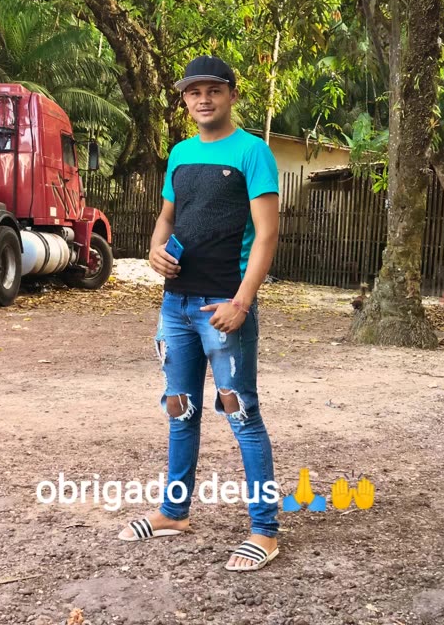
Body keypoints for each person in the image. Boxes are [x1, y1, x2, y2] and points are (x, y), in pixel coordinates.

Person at [119, 55, 280, 572]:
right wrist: (154, 250)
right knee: (180, 410)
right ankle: (174, 513)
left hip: (223, 307)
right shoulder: (180, 153)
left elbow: (267, 234)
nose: (203, 99)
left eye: (213, 90)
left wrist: (242, 302)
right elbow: (167, 218)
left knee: (242, 415)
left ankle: (265, 531)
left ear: (232, 94)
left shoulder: (253, 152)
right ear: (185, 100)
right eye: (193, 92)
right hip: (176, 306)